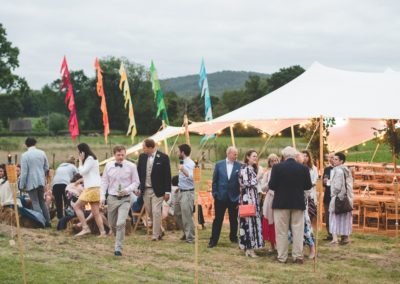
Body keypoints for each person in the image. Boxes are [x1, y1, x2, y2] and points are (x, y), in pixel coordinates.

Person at [268, 146, 312, 264]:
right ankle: (297, 256)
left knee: (281, 231)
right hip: (297, 202)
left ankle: (282, 256)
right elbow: (308, 186)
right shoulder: (303, 168)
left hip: (281, 203)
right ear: (295, 156)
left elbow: (271, 186)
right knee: (298, 230)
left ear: (284, 156)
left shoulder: (277, 168)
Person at [101, 145, 140, 256]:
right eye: (118, 155)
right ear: (114, 155)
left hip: (125, 199)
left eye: (122, 154)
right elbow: (104, 182)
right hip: (112, 198)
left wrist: (127, 190)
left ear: (125, 154)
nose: (120, 157)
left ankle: (118, 248)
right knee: (112, 224)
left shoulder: (132, 166)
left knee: (121, 223)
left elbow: (136, 182)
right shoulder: (108, 166)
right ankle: (117, 236)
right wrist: (102, 197)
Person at [137, 139, 171, 241]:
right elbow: (139, 173)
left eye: (144, 147)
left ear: (151, 147)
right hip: (145, 190)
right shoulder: (142, 157)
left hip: (158, 190)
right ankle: (160, 230)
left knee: (156, 212)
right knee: (150, 212)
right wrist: (138, 187)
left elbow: (167, 175)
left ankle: (155, 235)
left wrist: (167, 191)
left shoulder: (163, 157)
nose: (143, 149)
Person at [208, 146, 241, 248]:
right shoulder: (219, 164)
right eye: (234, 154)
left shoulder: (239, 166)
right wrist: (215, 194)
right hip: (220, 197)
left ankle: (233, 237)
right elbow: (215, 180)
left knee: (233, 219)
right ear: (229, 153)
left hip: (234, 197)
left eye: (236, 154)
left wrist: (238, 197)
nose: (236, 156)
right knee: (218, 219)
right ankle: (213, 240)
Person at [73, 143, 106, 237]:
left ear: (82, 152)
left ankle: (85, 228)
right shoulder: (91, 159)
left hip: (92, 188)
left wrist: (80, 161)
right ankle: (102, 232)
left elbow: (82, 172)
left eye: (79, 152)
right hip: (95, 187)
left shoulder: (90, 159)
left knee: (76, 206)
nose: (78, 153)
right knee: (95, 212)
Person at [19, 137, 51, 227]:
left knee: (35, 202)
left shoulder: (25, 155)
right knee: (42, 201)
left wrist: (21, 185)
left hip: (31, 182)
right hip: (41, 180)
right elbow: (46, 167)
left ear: (26, 145)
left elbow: (24, 172)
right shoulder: (42, 153)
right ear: (35, 143)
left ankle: (39, 222)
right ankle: (48, 221)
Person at [238, 150, 264, 257]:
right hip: (248, 199)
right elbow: (247, 183)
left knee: (250, 222)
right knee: (249, 223)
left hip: (251, 198)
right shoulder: (245, 169)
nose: (255, 158)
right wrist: (259, 176)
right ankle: (249, 248)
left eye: (256, 156)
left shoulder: (250, 169)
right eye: (253, 156)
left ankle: (249, 249)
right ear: (248, 157)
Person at [329, 152, 353, 245]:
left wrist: (333, 193)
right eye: (333, 159)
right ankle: (345, 238)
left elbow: (337, 186)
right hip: (347, 197)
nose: (333, 161)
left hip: (338, 197)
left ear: (341, 161)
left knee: (334, 217)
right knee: (344, 218)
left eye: (336, 159)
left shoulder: (338, 170)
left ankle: (335, 239)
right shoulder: (346, 170)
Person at [174, 144, 196, 244]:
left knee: (187, 215)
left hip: (188, 193)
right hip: (180, 191)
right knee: (176, 213)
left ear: (182, 152)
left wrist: (183, 169)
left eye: (178, 151)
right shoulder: (182, 162)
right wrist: (178, 187)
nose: (177, 153)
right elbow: (183, 178)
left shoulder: (191, 164)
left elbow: (192, 177)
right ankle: (185, 231)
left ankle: (190, 237)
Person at [260, 153, 279, 251]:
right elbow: (263, 187)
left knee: (279, 221)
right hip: (270, 199)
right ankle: (272, 244)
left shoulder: (281, 171)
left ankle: (279, 244)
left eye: (276, 160)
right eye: (272, 161)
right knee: (270, 220)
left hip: (280, 198)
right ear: (269, 163)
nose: (274, 162)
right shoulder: (267, 173)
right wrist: (269, 183)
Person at [323, 152, 335, 241]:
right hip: (327, 195)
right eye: (329, 157)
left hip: (335, 196)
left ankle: (337, 234)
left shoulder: (340, 169)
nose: (330, 159)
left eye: (332, 157)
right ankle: (329, 234)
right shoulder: (326, 169)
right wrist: (324, 181)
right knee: (327, 216)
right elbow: (325, 182)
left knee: (335, 215)